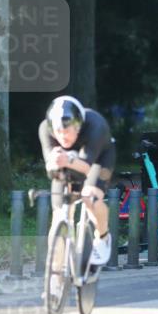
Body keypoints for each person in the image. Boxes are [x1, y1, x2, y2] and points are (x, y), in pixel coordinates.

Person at [39, 96, 115, 268]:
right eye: (58, 132)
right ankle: (56, 274)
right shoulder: (45, 129)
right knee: (59, 215)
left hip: (98, 159)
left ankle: (103, 237)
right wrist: (54, 163)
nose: (62, 136)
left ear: (78, 125)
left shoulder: (95, 126)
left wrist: (66, 160)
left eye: (67, 131)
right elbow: (51, 167)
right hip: (68, 160)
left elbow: (88, 168)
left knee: (90, 197)